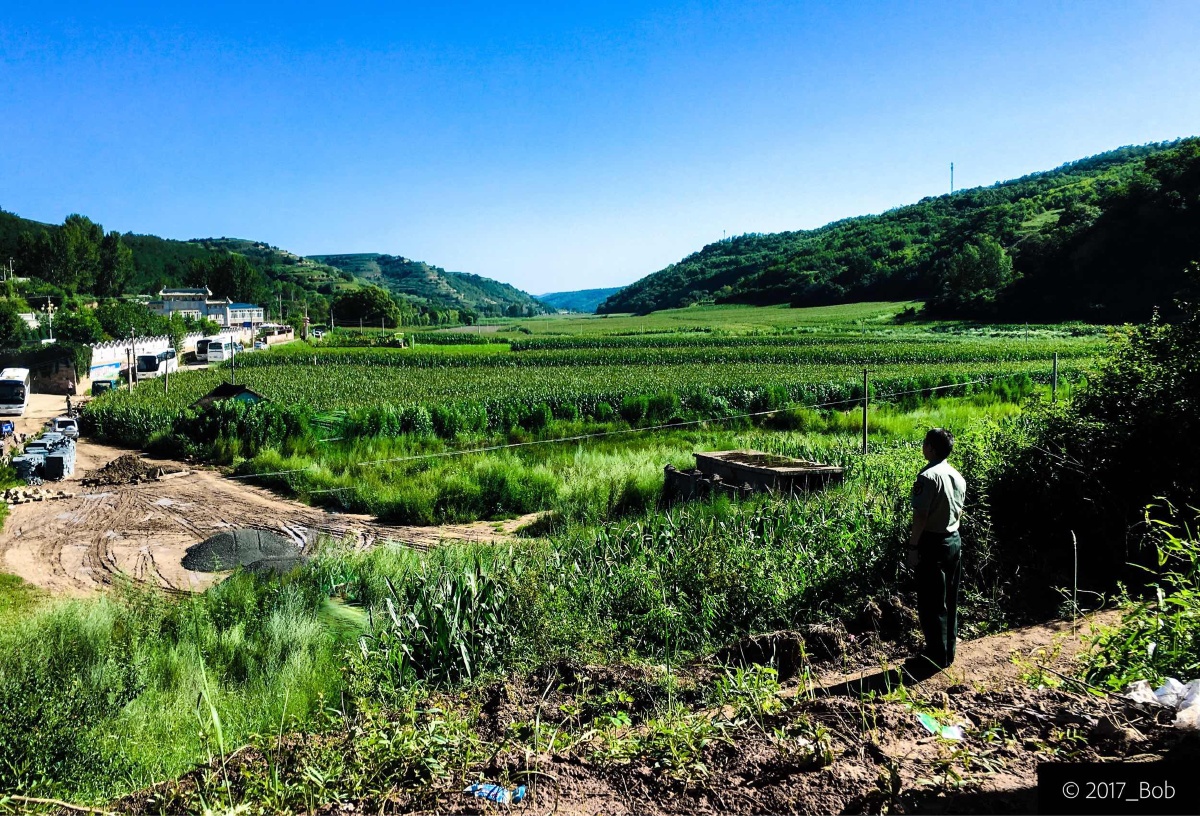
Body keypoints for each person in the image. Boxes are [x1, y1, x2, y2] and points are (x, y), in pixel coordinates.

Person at [906, 428, 967, 670]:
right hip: (954, 540)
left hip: (932, 543)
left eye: (925, 443)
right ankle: (947, 652)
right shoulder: (957, 476)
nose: (923, 446)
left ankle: (934, 657)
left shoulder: (928, 477)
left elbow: (921, 516)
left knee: (931, 602)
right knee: (950, 598)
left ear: (931, 448)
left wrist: (913, 546)